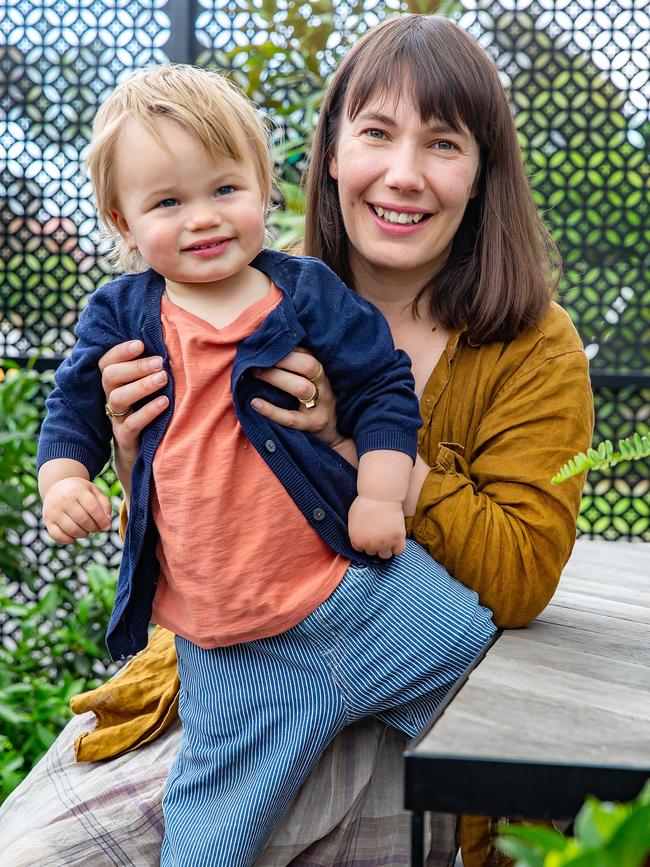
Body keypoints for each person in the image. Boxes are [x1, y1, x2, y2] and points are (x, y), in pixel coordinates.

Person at [0, 14, 594, 867]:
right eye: (376, 133)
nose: (403, 173)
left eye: (443, 143)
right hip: (222, 666)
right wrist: (125, 459)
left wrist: (356, 450)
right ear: (329, 153)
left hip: (386, 670)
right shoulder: (238, 285)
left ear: (483, 172)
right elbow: (201, 513)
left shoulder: (532, 344)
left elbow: (520, 576)